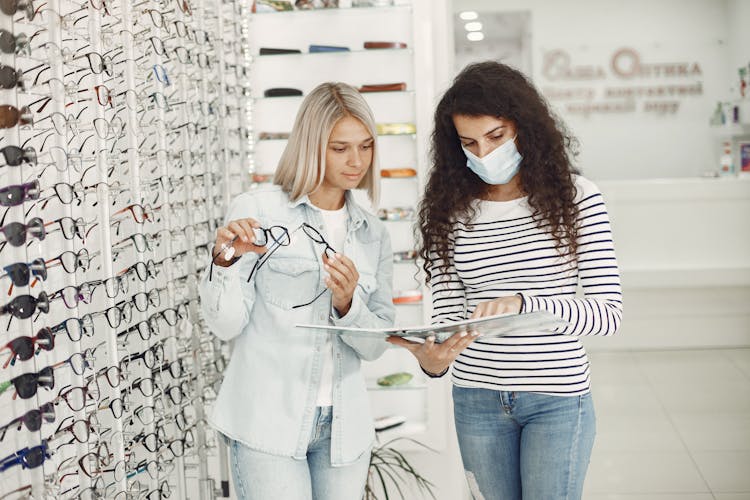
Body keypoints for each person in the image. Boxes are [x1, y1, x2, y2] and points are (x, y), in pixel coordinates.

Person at [388, 61, 623, 500]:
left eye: (496, 137)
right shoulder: (447, 210)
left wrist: (524, 302)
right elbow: (447, 315)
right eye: (469, 143)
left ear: (524, 127)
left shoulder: (577, 198)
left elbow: (608, 316)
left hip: (556, 398)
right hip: (476, 400)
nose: (483, 154)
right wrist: (432, 359)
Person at [199, 82, 395, 500]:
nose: (356, 160)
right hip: (267, 422)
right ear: (311, 144)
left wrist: (347, 304)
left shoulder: (373, 233)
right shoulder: (258, 211)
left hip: (345, 431)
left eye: (366, 146)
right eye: (340, 148)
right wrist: (224, 263)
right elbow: (225, 324)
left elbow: (376, 345)